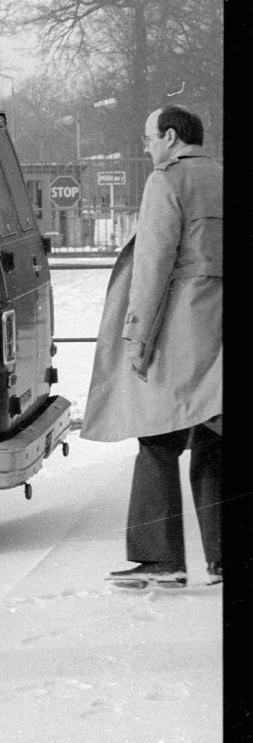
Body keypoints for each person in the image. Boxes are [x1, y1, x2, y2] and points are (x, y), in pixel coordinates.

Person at [80, 104, 222, 588]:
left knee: (158, 440)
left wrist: (137, 337)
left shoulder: (166, 181)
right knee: (215, 438)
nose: (146, 147)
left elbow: (153, 265)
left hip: (182, 330)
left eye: (147, 139)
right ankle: (224, 557)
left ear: (168, 136)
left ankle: (160, 560)